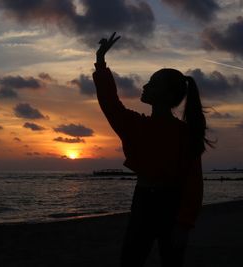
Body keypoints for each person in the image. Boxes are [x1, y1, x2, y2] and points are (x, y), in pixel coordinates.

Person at [92, 33, 213, 267]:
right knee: (131, 260)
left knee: (169, 261)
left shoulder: (184, 133)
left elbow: (193, 181)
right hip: (143, 202)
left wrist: (185, 224)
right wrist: (100, 62)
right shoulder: (136, 124)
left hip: (172, 205)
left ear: (167, 95)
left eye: (153, 83)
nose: (145, 86)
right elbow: (109, 101)